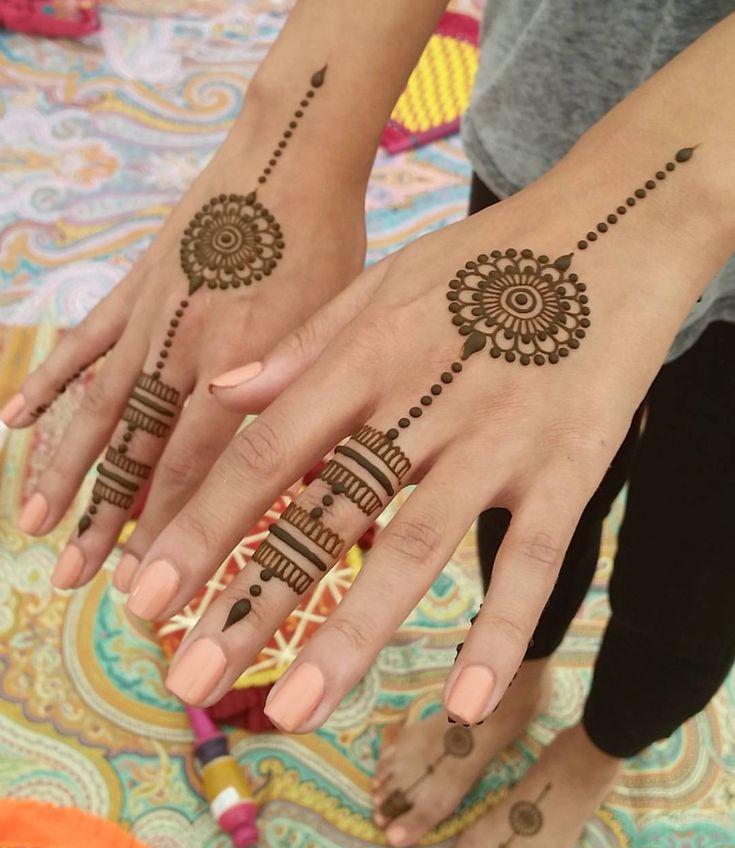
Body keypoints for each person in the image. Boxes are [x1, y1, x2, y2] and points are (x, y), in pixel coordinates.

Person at [4, 2, 735, 845]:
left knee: (697, 572)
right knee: (512, 499)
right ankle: (514, 681)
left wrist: (675, 193)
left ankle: (593, 755)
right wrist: (302, 126)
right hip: (551, 114)